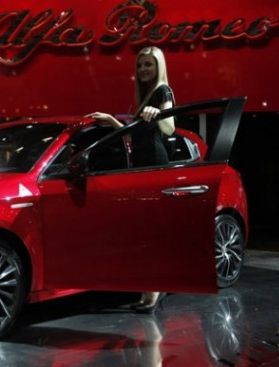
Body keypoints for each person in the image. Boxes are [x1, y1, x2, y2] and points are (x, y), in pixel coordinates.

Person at [86, 46, 175, 313]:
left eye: (149, 64)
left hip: (155, 168)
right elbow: (132, 136)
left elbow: (170, 129)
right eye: (140, 65)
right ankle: (153, 288)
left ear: (159, 66)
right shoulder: (144, 96)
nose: (144, 69)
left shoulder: (163, 92)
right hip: (140, 167)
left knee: (151, 232)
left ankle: (153, 292)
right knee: (144, 231)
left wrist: (158, 115)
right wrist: (112, 120)